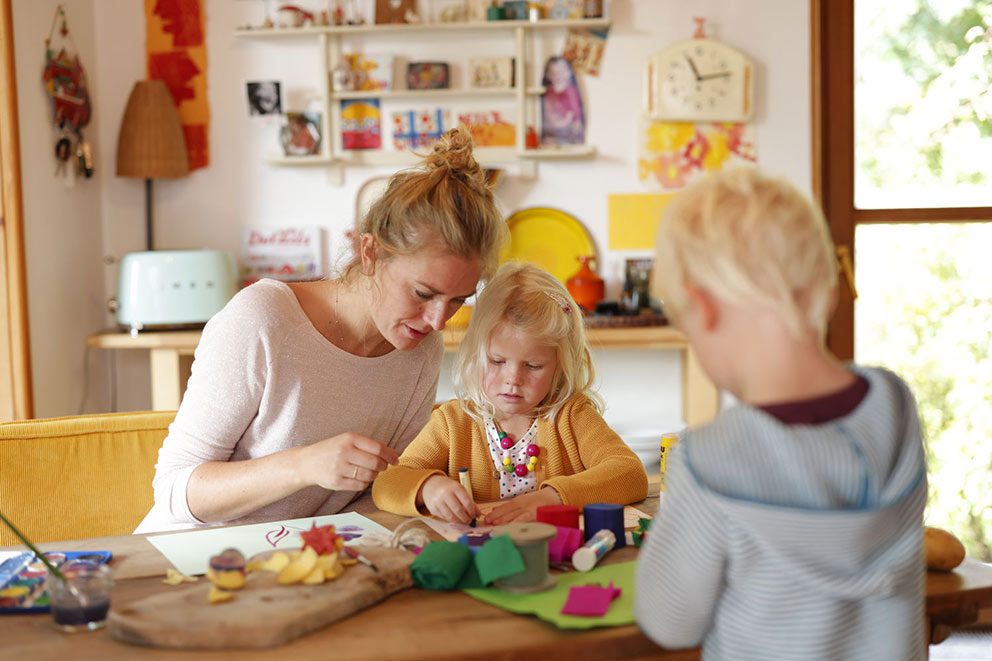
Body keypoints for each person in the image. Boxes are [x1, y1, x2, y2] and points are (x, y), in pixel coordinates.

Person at [135, 127, 507, 533]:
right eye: (423, 293)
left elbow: (380, 487)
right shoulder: (263, 319)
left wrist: (422, 488)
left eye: (458, 300)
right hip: (192, 561)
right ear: (370, 253)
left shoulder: (421, 349)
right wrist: (304, 465)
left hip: (303, 564)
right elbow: (173, 491)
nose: (438, 321)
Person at [634, 167, 926, 659]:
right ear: (826, 287)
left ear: (704, 310)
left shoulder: (709, 461)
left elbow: (669, 622)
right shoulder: (895, 408)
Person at [372, 262, 648, 524]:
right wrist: (427, 488)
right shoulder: (453, 423)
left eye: (533, 365)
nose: (513, 380)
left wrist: (552, 498)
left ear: (559, 366)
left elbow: (629, 473)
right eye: (497, 361)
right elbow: (387, 483)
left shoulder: (571, 416)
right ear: (476, 355)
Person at [540, 56, 585, 146]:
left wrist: (576, 120)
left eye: (561, 71)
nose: (558, 76)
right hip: (553, 129)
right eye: (553, 73)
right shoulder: (548, 92)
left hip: (569, 129)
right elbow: (547, 110)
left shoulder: (571, 91)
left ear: (569, 73)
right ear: (548, 75)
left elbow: (575, 107)